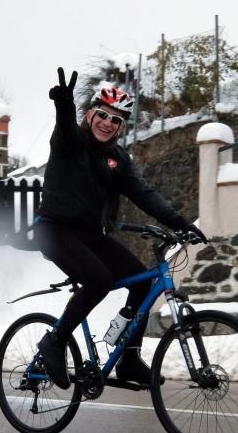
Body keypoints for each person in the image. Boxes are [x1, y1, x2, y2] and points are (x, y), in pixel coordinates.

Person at [35, 67, 206, 390]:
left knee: (143, 280)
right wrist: (64, 104)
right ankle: (54, 342)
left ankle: (128, 356)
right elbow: (65, 132)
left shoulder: (118, 159)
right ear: (90, 115)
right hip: (55, 230)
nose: (107, 123)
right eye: (102, 115)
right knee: (98, 280)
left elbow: (144, 194)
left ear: (120, 128)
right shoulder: (71, 144)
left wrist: (182, 223)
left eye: (116, 120)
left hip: (90, 235)